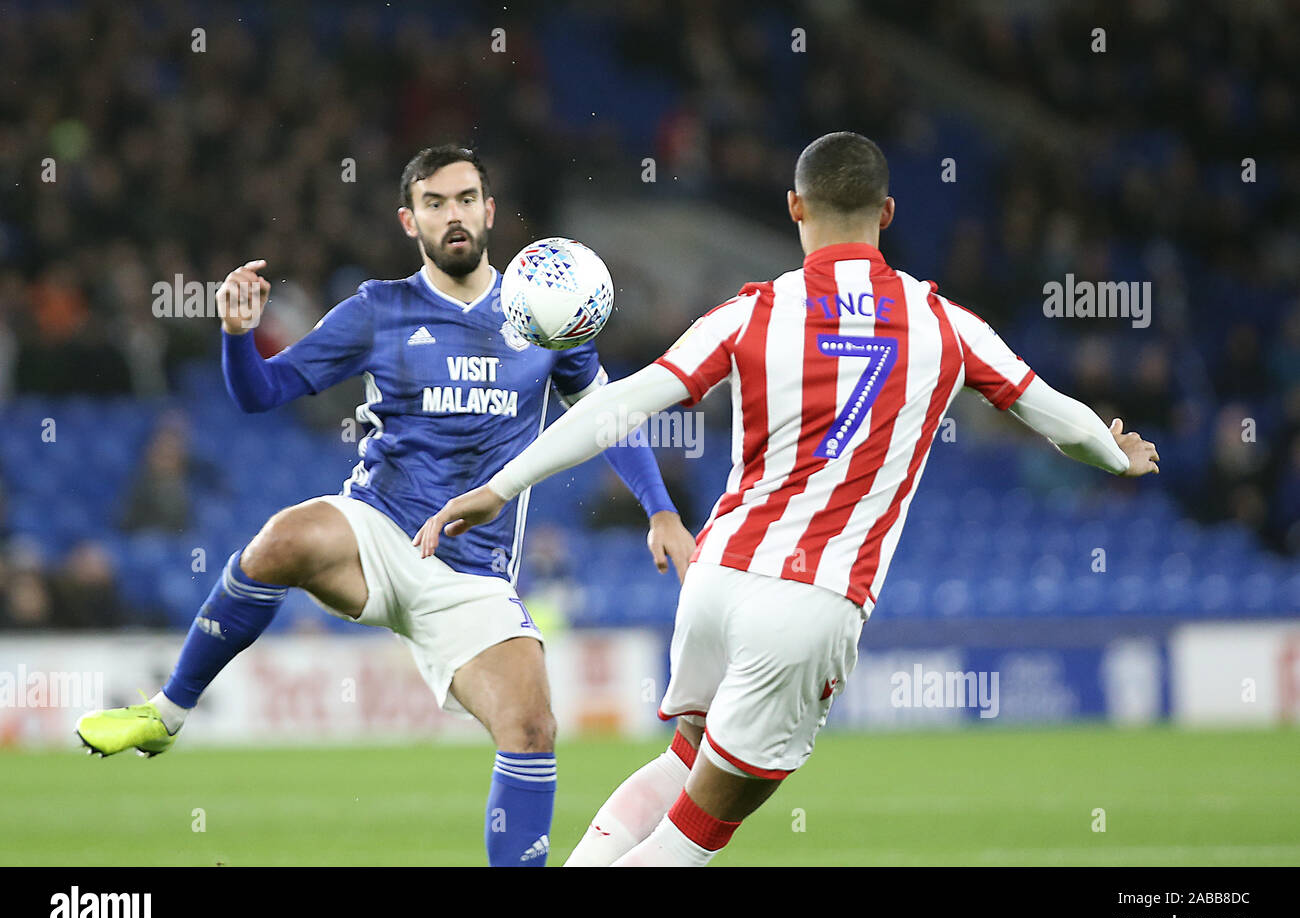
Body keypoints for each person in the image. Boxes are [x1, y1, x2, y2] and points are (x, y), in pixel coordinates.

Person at [417, 132, 1161, 866]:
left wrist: (499, 486)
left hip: (719, 577)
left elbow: (621, 404)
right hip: (811, 601)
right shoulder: (946, 324)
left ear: (794, 207)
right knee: (697, 830)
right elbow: (1055, 415)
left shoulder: (752, 312)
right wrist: (1114, 453)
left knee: (683, 763)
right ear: (889, 213)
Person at [75, 145, 697, 868]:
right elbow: (259, 394)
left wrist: (659, 509)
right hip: (377, 531)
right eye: (435, 203)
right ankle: (167, 713)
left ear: (490, 211)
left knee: (531, 726)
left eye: (466, 198)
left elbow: (607, 415)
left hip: (471, 576)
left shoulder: (541, 314)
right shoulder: (379, 309)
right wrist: (238, 339)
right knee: (282, 538)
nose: (453, 215)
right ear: (410, 220)